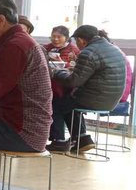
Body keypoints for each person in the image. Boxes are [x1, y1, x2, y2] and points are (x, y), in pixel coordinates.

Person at [0, 0, 52, 154]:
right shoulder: (19, 41)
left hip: (23, 132)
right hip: (29, 129)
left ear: (0, 20)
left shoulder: (15, 46)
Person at [49, 25, 127, 153]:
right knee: (68, 104)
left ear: (81, 40)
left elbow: (73, 82)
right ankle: (83, 139)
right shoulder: (113, 49)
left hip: (95, 98)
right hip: (112, 99)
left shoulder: (88, 52)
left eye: (76, 41)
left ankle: (59, 142)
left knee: (55, 105)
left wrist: (57, 72)